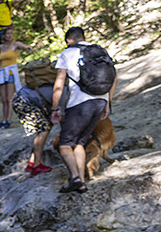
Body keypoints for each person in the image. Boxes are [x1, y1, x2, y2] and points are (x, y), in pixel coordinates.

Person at [52, 25, 117, 192]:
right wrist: (107, 101)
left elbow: (59, 84)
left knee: (65, 143)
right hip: (100, 101)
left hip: (80, 103)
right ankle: (81, 181)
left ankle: (75, 178)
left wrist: (55, 108)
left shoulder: (68, 53)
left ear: (68, 41)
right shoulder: (100, 51)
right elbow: (115, 77)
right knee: (80, 142)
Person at [0, 27, 35, 128]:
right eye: (7, 34)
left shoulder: (15, 44)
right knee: (3, 99)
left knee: (9, 98)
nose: (9, 35)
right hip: (2, 73)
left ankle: (8, 120)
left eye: (11, 33)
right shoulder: (0, 47)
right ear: (4, 35)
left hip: (10, 73)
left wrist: (28, 48)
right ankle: (4, 119)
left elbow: (25, 47)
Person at [12, 84, 53, 173]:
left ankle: (32, 162)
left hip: (21, 100)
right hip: (25, 102)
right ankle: (37, 165)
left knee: (44, 128)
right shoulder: (63, 90)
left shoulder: (53, 82)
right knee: (43, 130)